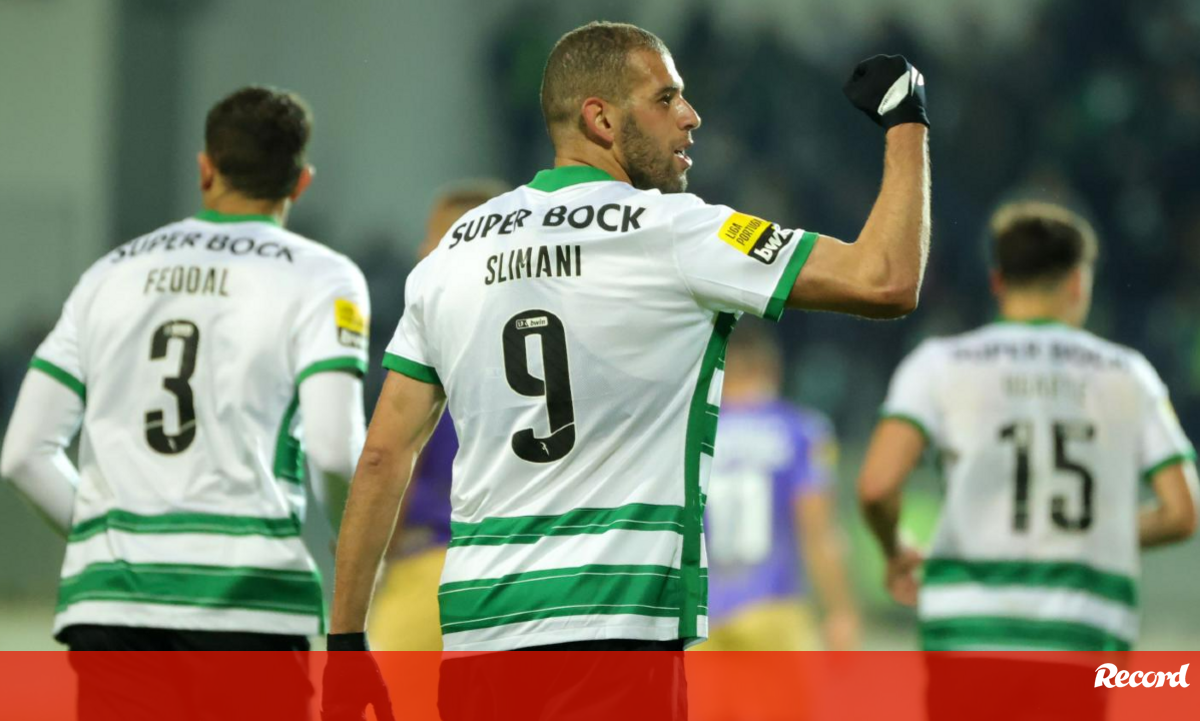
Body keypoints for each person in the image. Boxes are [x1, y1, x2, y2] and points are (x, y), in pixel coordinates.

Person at [323, 21, 930, 721]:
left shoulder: (452, 254)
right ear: (601, 119)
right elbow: (885, 279)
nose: (690, 116)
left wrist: (345, 641)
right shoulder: (676, 231)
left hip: (478, 642)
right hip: (613, 638)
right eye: (666, 98)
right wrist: (905, 119)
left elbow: (382, 457)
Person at [0, 86, 369, 718]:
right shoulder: (322, 277)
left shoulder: (109, 274)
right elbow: (335, 451)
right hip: (248, 600)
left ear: (206, 168)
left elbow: (22, 457)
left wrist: (109, 536)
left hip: (113, 608)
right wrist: (352, 541)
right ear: (300, 182)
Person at [859, 201, 1197, 719]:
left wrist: (895, 548)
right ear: (1078, 283)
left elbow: (877, 486)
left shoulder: (939, 364)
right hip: (1081, 634)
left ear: (997, 281)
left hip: (967, 632)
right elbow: (1181, 512)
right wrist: (1083, 533)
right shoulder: (1127, 375)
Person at [367, 179, 509, 652]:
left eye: (434, 237)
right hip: (521, 574)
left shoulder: (436, 336)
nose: (421, 249)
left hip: (433, 569)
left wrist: (379, 558)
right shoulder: (542, 337)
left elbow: (392, 461)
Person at [700, 322, 859, 653]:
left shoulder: (694, 432)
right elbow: (818, 531)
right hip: (774, 610)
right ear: (771, 365)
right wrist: (840, 611)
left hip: (699, 615)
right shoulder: (801, 430)